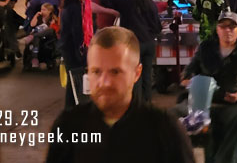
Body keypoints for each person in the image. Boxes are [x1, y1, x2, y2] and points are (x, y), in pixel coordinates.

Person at [46, 27, 195, 163]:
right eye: (96, 71)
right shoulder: (68, 126)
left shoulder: (165, 130)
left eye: (115, 72)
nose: (104, 82)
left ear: (137, 73)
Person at [180, 12, 237, 163]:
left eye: (232, 27)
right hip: (204, 103)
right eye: (223, 26)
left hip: (235, 103)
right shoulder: (205, 47)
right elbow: (191, 68)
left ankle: (225, 159)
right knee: (176, 114)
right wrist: (187, 77)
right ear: (217, 29)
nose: (228, 31)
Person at [90, 0, 162, 102]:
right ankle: (147, 103)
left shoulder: (125, 0)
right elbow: (157, 26)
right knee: (147, 75)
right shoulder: (150, 4)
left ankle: (136, 105)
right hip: (149, 44)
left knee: (135, 76)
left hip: (134, 44)